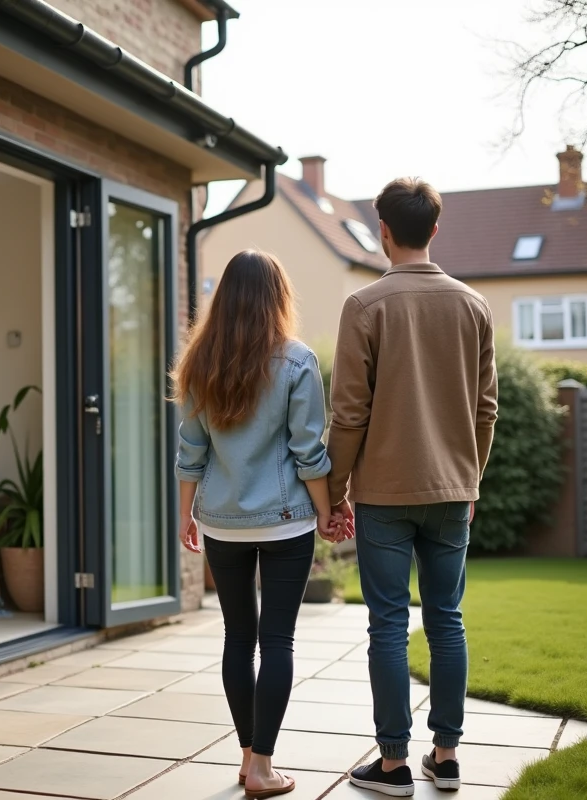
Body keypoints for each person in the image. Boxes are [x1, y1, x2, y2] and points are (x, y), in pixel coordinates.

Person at [328, 178, 498, 796]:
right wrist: (469, 480)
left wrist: (334, 491)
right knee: (447, 620)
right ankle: (445, 757)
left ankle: (394, 765)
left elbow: (348, 413)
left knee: (388, 625)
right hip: (453, 491)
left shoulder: (364, 306)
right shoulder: (474, 306)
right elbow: (486, 409)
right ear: (434, 229)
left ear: (383, 231)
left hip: (385, 495)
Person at [174, 249, 345, 800]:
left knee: (237, 637)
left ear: (224, 298)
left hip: (222, 523)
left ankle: (248, 757)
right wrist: (326, 510)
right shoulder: (297, 361)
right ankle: (263, 768)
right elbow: (308, 452)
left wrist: (186, 513)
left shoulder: (199, 363)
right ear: (278, 298)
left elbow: (190, 451)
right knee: (276, 640)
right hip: (285, 523)